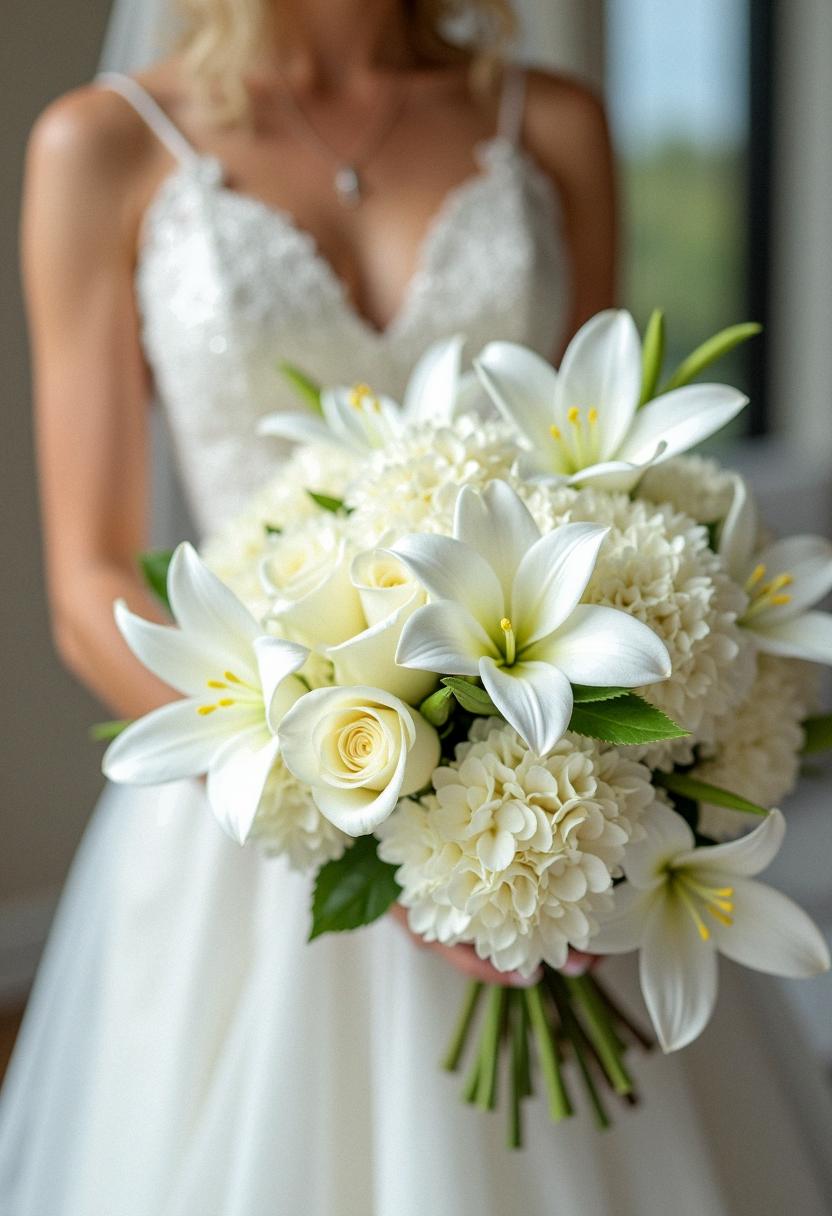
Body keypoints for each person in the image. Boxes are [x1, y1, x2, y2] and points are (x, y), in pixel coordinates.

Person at [0, 2, 829, 1212]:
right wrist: (371, 821)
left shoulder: (549, 125)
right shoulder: (104, 146)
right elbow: (90, 586)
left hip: (547, 784)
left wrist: (579, 773)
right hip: (257, 804)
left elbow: (594, 473)